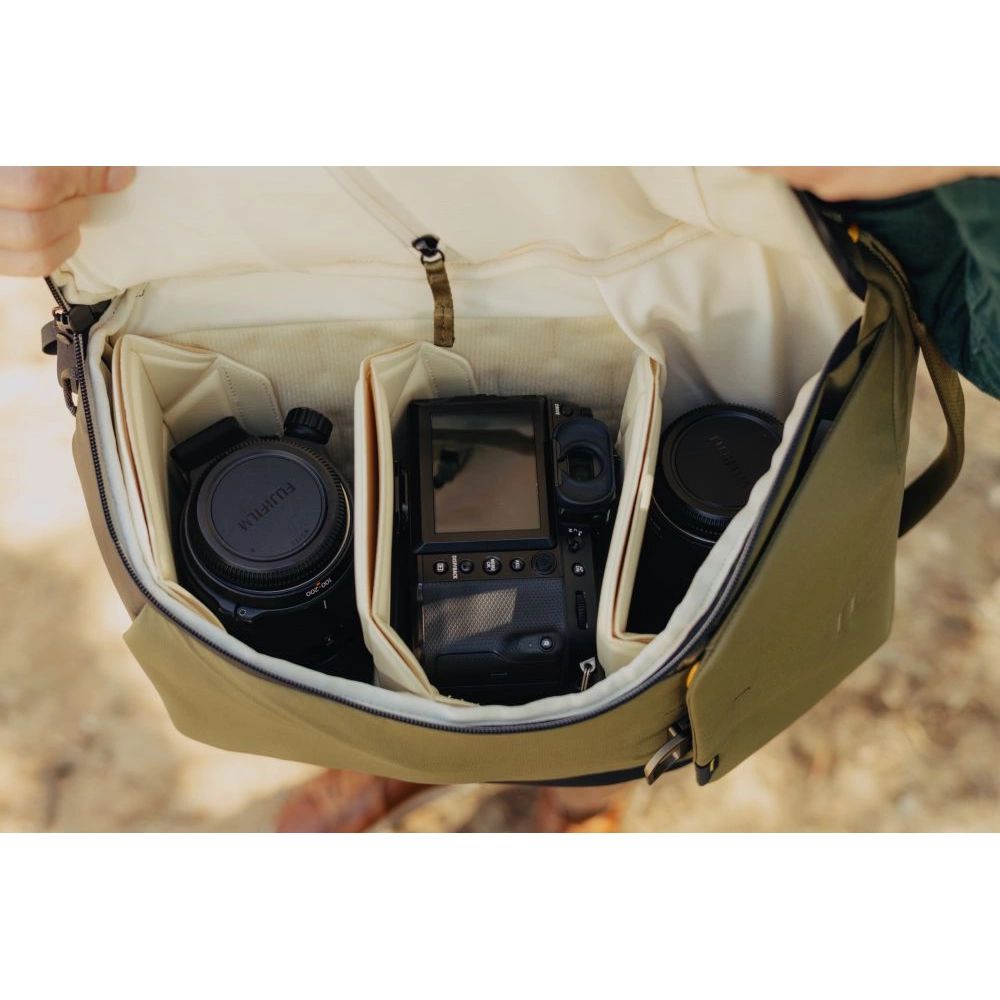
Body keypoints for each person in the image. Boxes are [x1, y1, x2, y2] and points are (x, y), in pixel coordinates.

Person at [3, 165, 996, 832]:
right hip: (257, 259)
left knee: (620, 708)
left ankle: (573, 787)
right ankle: (411, 748)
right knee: (397, 688)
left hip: (671, 241)